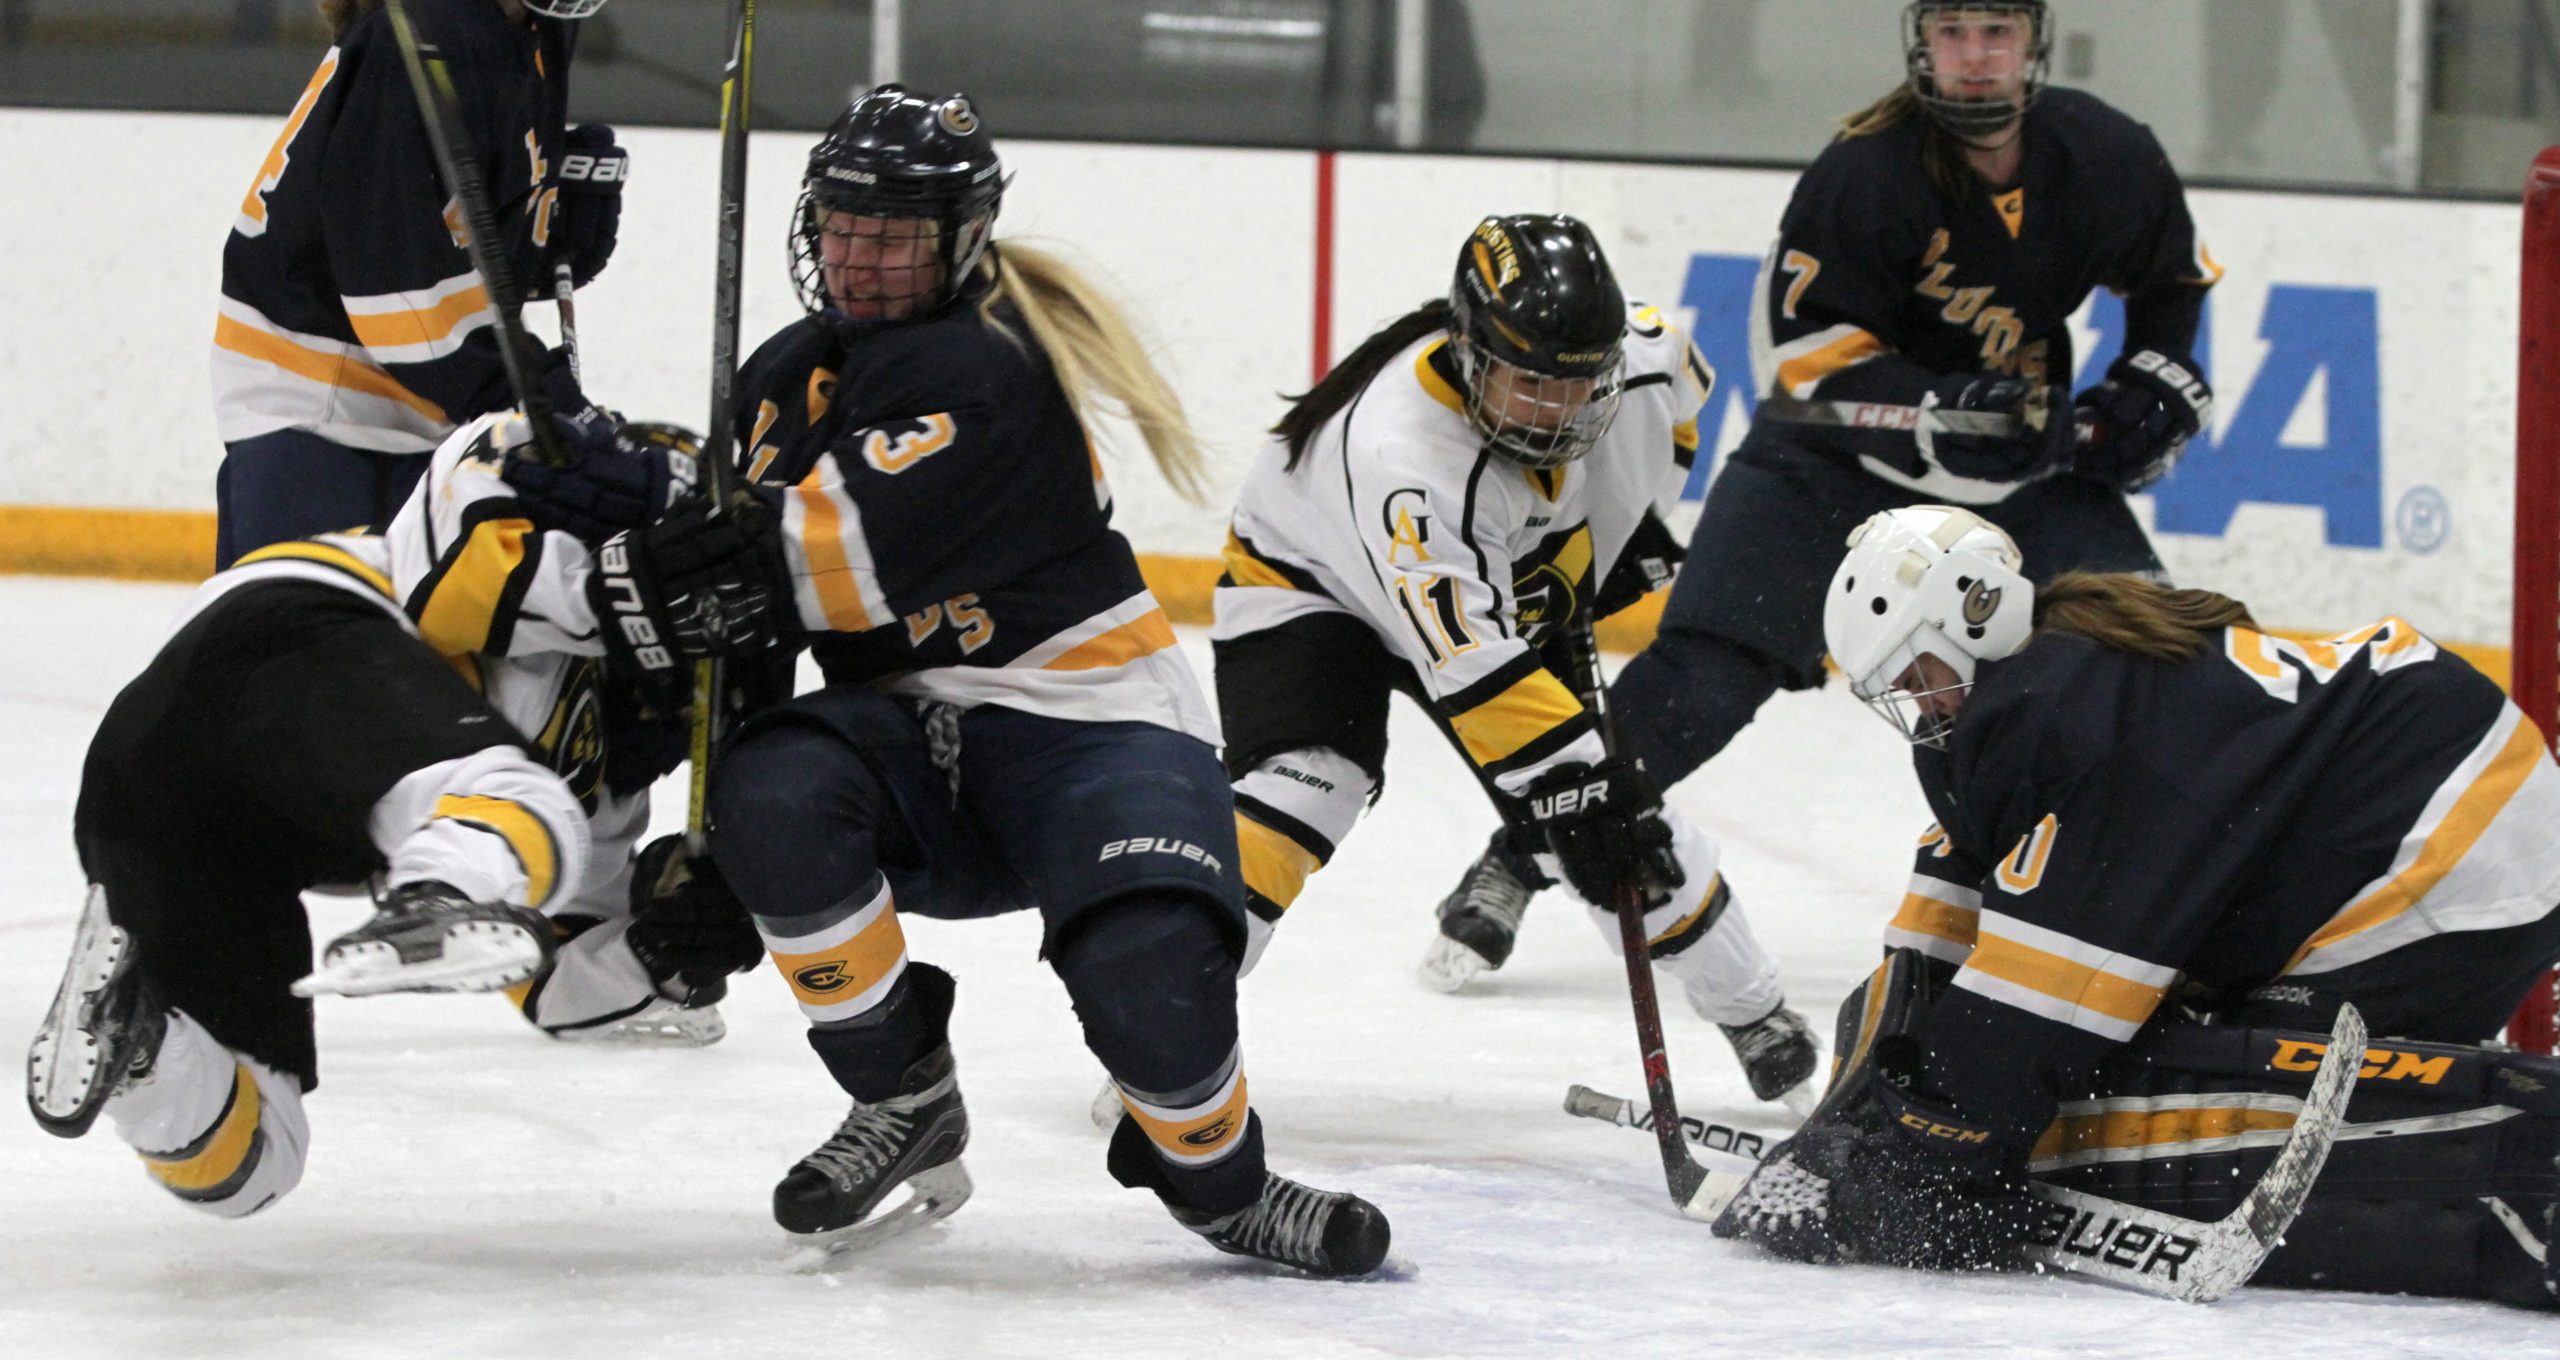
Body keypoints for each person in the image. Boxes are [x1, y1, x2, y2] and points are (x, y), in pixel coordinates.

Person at [680, 85, 1390, 1277]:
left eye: (893, 234)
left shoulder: (989, 368)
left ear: (962, 237)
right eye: (841, 227)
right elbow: (737, 631)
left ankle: (1223, 1184)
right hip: (912, 750)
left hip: (1086, 730)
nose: (857, 258)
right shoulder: (780, 376)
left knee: (1148, 965)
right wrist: (718, 843)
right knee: (774, 793)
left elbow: (802, 569)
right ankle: (904, 1097)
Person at [1421, 0, 2222, 985]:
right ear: (1920, 45)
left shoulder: (2101, 153)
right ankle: (1517, 857)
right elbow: (1802, 369)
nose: (1975, 57)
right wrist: (1942, 404)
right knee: (1697, 684)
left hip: (2014, 468)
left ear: (2034, 44)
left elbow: (2172, 283)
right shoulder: (1866, 172)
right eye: (1954, 34)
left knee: (2154, 654)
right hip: (1826, 468)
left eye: (1996, 33)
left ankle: (2203, 898)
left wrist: (2157, 380)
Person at [1712, 505, 2560, 1309]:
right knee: (2112, 1049)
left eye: (1919, 675)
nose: (1920, 706)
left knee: (2195, 1075)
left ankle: (2518, 1173)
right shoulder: (2041, 684)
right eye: (1895, 688)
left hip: (2459, 850)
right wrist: (1864, 1109)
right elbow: (1944, 919)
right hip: (2421, 798)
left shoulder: (2073, 717)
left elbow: (2050, 997)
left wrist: (1937, 1154)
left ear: (1972, 622)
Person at [25, 408, 771, 1216]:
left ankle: (139, 1042)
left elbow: (547, 981)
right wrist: (613, 591)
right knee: (519, 801)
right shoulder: (517, 524)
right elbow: (450, 547)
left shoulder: (603, 778)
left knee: (254, 1168)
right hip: (279, 639)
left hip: (185, 804)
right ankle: (431, 898)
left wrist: (660, 949)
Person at [1210, 212, 1819, 1107]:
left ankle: (1757, 1015)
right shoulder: (1404, 455)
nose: (1558, 411)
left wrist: (1621, 538)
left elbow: (1678, 414)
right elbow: (1474, 668)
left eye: (1579, 385)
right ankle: (1165, 1031)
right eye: (1528, 384)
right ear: (1468, 352)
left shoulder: (1643, 362)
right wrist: (1581, 790)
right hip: (1315, 583)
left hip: (1486, 592)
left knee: (1625, 823)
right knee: (1309, 783)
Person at [213, 0, 626, 568]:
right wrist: (535, 395)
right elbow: (395, 297)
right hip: (326, 418)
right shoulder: (423, 36)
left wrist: (540, 227)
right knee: (314, 651)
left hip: (425, 410)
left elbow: (441, 238)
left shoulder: (533, 25)